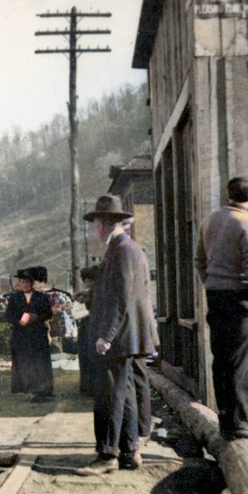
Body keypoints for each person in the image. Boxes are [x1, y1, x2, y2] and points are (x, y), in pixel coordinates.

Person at [76, 195, 157, 475]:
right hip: (128, 334)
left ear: (107, 224)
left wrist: (106, 335)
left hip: (119, 335)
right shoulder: (126, 249)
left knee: (109, 395)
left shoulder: (122, 251)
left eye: (96, 223)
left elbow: (120, 298)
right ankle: (129, 451)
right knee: (126, 395)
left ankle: (107, 455)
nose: (94, 230)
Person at [195, 176, 248, 442]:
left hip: (216, 296)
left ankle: (227, 421)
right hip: (241, 298)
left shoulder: (209, 220)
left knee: (222, 358)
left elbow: (199, 260)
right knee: (242, 362)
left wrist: (213, 284)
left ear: (228, 193)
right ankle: (238, 423)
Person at [5, 267, 54, 402]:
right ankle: (25, 388)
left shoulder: (41, 297)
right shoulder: (14, 298)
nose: (25, 285)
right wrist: (19, 321)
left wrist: (36, 317)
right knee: (23, 361)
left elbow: (48, 314)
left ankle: (42, 389)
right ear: (19, 284)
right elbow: (8, 316)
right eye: (22, 282)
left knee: (39, 362)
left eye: (27, 283)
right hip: (21, 335)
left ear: (32, 283)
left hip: (38, 334)